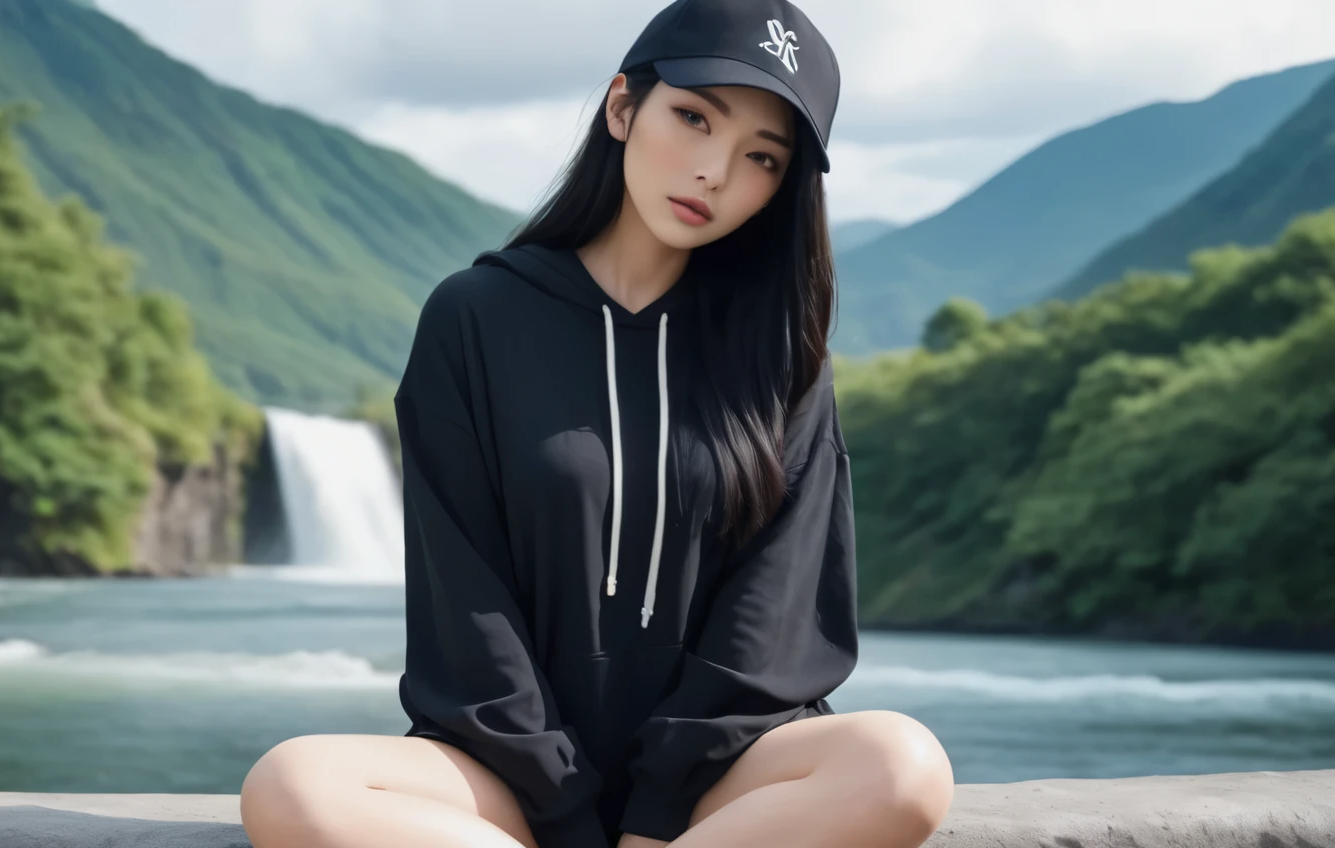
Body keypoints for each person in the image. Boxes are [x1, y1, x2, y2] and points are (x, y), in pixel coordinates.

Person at [238, 1, 954, 846]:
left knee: (903, 763)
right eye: (693, 118)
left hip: (721, 775)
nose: (714, 173)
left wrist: (655, 819)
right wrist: (570, 818)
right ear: (622, 107)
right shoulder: (476, 318)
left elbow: (774, 613)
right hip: (509, 771)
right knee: (292, 783)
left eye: (761, 157)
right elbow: (464, 604)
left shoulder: (782, 356)